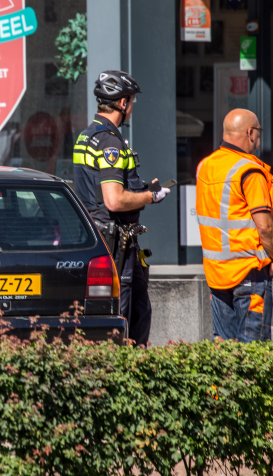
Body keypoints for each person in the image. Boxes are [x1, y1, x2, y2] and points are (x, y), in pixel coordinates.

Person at [73, 70, 170, 345]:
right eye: (132, 101)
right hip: (115, 240)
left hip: (102, 233)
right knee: (125, 317)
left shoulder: (87, 136)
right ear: (122, 103)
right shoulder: (110, 141)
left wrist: (141, 189)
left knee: (140, 309)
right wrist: (151, 197)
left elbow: (97, 186)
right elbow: (113, 199)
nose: (132, 106)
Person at [196, 109, 273, 342]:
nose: (259, 137)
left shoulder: (205, 166)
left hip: (216, 273)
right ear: (250, 132)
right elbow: (265, 227)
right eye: (259, 131)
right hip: (249, 272)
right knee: (252, 352)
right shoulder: (250, 171)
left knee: (224, 351)